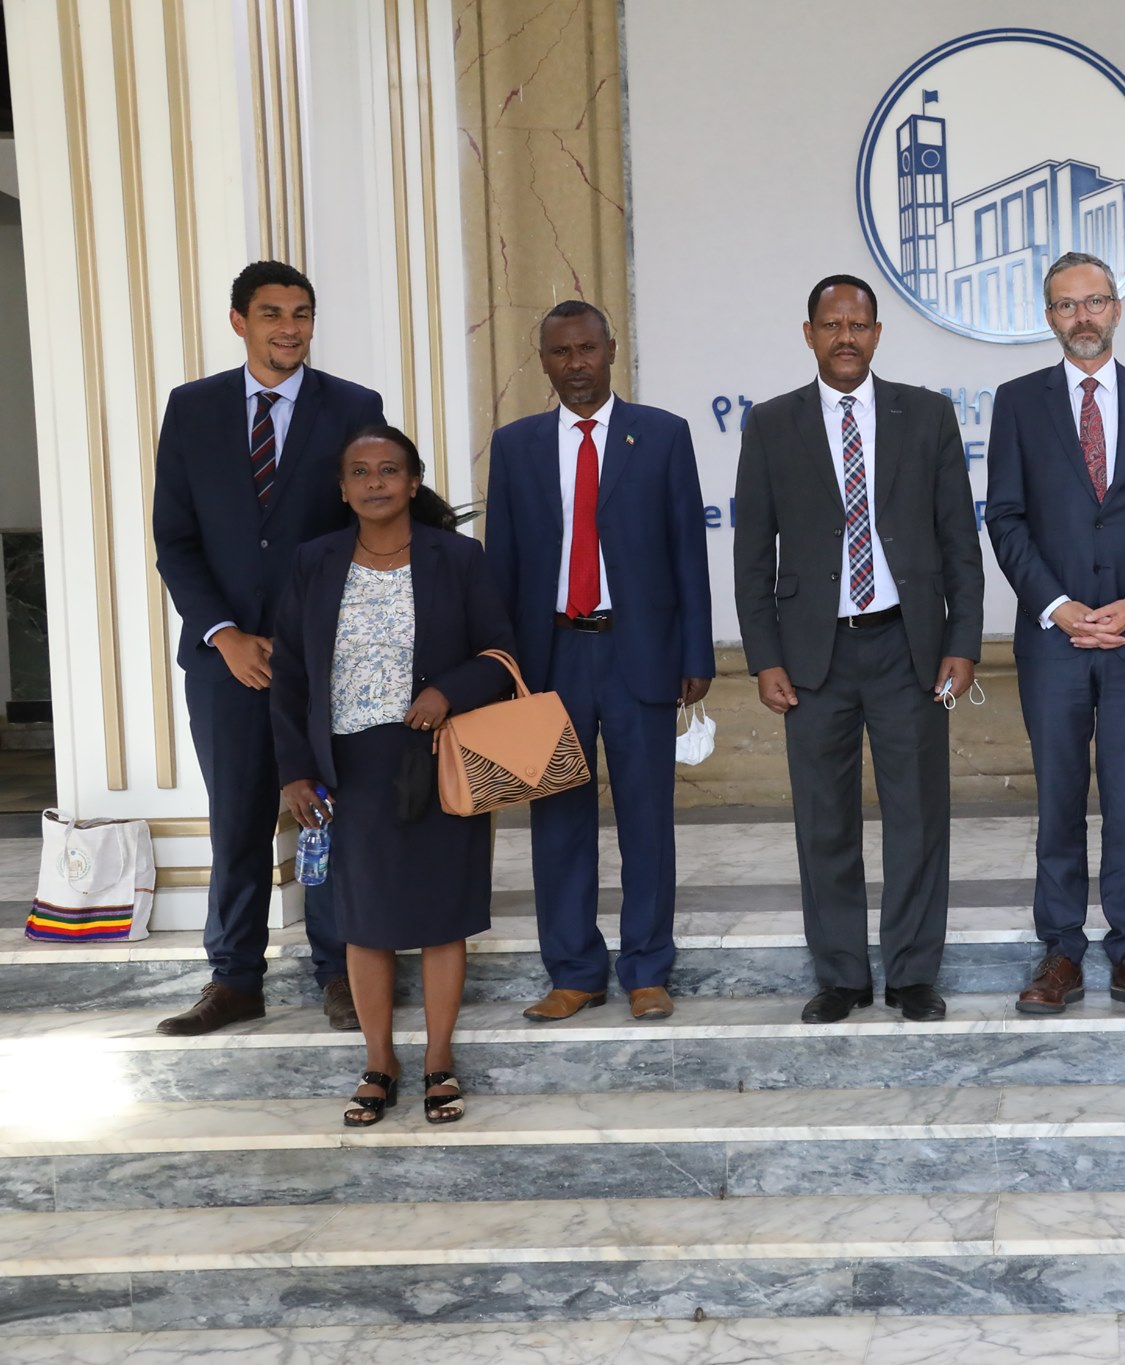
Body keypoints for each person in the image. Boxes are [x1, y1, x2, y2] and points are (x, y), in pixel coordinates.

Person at [733, 275, 983, 1024]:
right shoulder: (771, 423)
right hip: (815, 658)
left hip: (910, 647)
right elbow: (753, 554)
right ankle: (841, 975)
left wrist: (962, 641)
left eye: (859, 324)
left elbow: (959, 541)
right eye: (832, 324)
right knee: (824, 821)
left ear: (877, 334)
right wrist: (764, 657)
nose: (846, 336)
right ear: (809, 333)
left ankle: (912, 973)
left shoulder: (927, 414)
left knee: (919, 817)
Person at [151, 261, 385, 1037]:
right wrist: (224, 634)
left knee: (330, 815)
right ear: (239, 321)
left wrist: (312, 635)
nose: (290, 327)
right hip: (226, 663)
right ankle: (234, 980)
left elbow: (369, 525)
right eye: (272, 313)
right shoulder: (191, 409)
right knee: (238, 820)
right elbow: (176, 539)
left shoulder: (353, 407)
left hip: (326, 658)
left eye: (302, 313)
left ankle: (342, 972)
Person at [271, 427, 514, 1125]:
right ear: (343, 488)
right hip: (348, 769)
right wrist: (296, 771)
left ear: (413, 482)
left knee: (443, 918)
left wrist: (448, 692)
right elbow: (290, 675)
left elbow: (501, 652)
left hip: (438, 759)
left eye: (388, 470)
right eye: (360, 471)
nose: (374, 482)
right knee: (363, 923)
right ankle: (379, 1062)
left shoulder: (457, 558)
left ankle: (439, 1061)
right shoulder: (314, 562)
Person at [484, 301, 714, 1023]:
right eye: (561, 352)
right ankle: (574, 971)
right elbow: (502, 563)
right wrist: (503, 668)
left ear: (612, 350)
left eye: (587, 348)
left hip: (639, 651)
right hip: (550, 656)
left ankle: (647, 969)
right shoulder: (516, 446)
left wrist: (696, 652)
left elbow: (687, 549)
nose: (576, 363)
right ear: (543, 361)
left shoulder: (663, 435)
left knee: (647, 816)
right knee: (557, 821)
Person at [985, 251, 1125, 1015]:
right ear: (1048, 316)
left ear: (1117, 308)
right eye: (1067, 304)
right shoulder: (1018, 401)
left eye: (1095, 301)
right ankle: (1061, 952)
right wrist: (1058, 605)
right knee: (1059, 797)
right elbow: (1005, 517)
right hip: (1053, 638)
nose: (1083, 316)